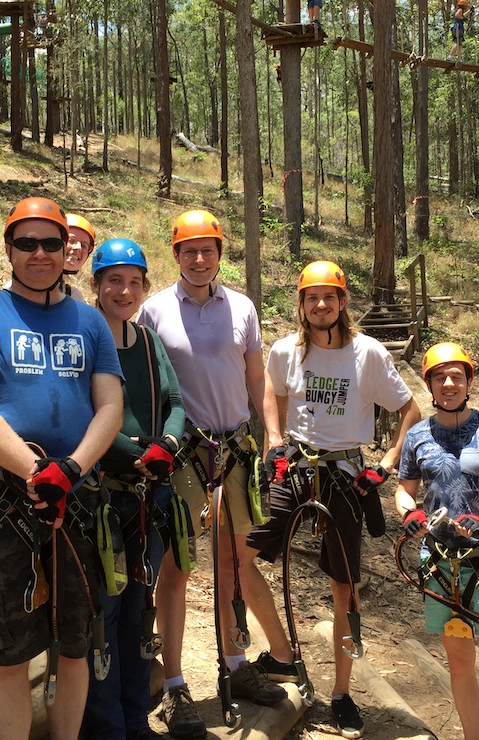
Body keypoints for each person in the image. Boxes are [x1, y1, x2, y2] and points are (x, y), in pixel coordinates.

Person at [0, 196, 124, 740]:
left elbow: (110, 406)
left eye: (51, 242)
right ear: (10, 250)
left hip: (78, 494)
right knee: (8, 651)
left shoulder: (90, 322)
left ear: (65, 250)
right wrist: (33, 469)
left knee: (74, 644)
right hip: (2, 497)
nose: (40, 253)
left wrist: (68, 470)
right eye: (27, 243)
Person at [243, 261, 421, 739]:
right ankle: (280, 655)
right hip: (296, 466)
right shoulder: (286, 351)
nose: (321, 305)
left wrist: (386, 464)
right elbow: (270, 391)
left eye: (330, 297)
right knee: (240, 552)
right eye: (311, 297)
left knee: (345, 586)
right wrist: (273, 439)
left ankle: (341, 693)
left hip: (344, 472)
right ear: (301, 304)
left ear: (343, 302)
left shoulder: (367, 354)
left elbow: (409, 409)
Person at [139, 209, 286, 739]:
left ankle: (237, 663)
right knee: (179, 565)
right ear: (175, 255)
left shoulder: (242, 307)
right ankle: (176, 682)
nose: (199, 259)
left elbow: (257, 376)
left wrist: (272, 433)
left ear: (221, 254)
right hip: (183, 453)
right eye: (189, 251)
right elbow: (145, 381)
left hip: (235, 449)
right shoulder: (153, 311)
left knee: (232, 562)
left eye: (208, 250)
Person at [395, 342, 479, 740]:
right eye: (440, 376)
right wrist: (411, 513)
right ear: (430, 384)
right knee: (459, 667)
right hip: (438, 562)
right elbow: (403, 491)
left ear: (469, 381)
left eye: (457, 375)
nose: (449, 383)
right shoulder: (418, 435)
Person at [82, 239, 186, 740]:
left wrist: (167, 442)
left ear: (145, 286)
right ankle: (104, 726)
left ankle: (133, 717)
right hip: (104, 492)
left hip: (148, 495)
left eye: (133, 281)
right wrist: (136, 454)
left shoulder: (146, 340)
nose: (124, 291)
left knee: (139, 609)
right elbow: (87, 411)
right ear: (96, 285)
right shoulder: (81, 336)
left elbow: (173, 398)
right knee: (104, 611)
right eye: (113, 281)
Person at [62, 213, 97, 301]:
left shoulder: (73, 296)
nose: (78, 247)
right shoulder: (26, 284)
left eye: (84, 246)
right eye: (71, 240)